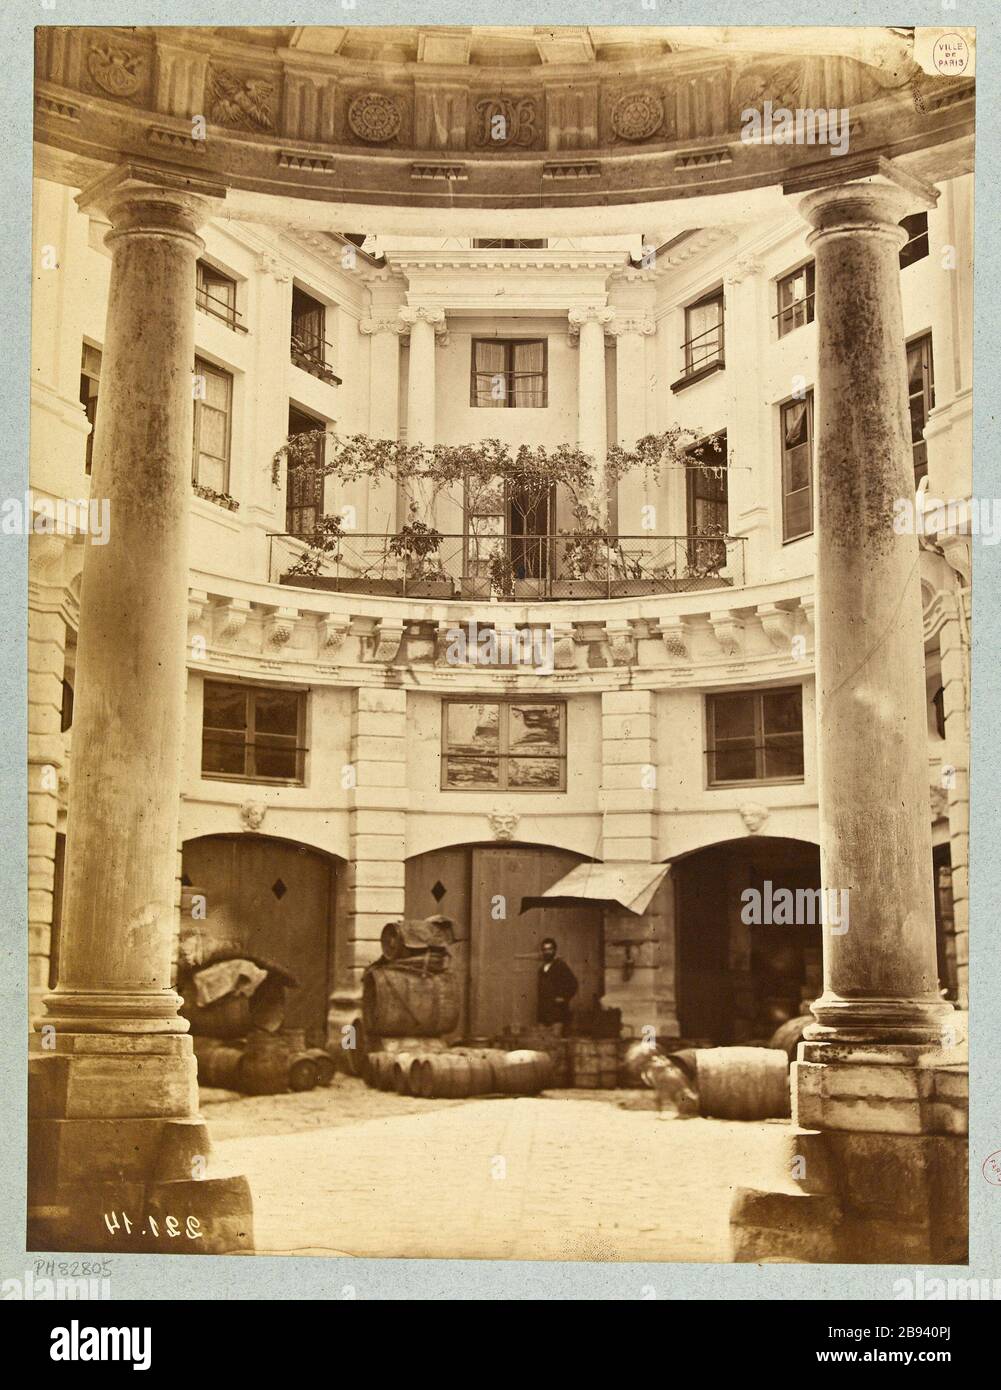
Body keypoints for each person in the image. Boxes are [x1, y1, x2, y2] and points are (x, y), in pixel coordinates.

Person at [537, 937, 578, 1032]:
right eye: (544, 949)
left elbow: (573, 984)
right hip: (543, 1013)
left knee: (555, 1041)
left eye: (550, 949)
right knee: (542, 1042)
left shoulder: (561, 966)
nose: (547, 952)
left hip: (557, 1013)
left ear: (554, 950)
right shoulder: (541, 969)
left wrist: (564, 997)